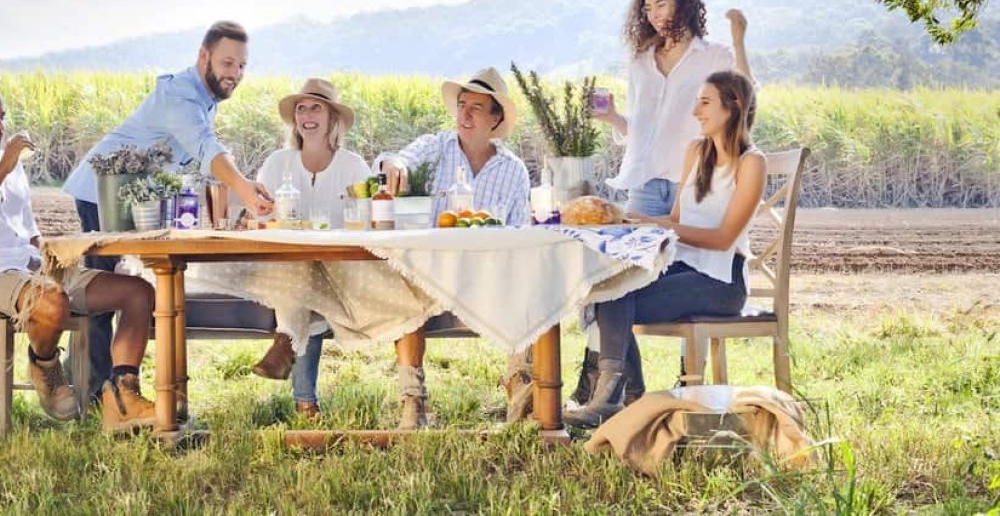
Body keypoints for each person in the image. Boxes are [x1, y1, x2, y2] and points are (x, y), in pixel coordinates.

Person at [569, 0, 753, 407]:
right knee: (613, 275)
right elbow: (644, 128)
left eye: (662, 4)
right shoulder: (641, 61)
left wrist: (740, 38)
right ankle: (620, 394)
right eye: (647, 7)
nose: (653, 14)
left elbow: (745, 93)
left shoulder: (710, 58)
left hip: (696, 186)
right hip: (648, 181)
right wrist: (613, 118)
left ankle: (610, 394)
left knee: (624, 284)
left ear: (683, 3)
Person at [62, 20, 274, 401]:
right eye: (228, 64)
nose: (236, 74)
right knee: (100, 291)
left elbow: (199, 158)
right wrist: (243, 186)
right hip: (103, 192)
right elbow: (206, 148)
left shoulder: (201, 98)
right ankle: (92, 393)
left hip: (134, 194)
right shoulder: (180, 95)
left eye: (242, 66)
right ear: (203, 56)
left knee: (109, 288)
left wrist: (242, 190)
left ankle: (96, 384)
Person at [565, 71, 766, 428]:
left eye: (705, 102)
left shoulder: (752, 163)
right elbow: (678, 218)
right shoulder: (696, 153)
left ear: (733, 105)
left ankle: (617, 399)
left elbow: (722, 238)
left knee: (615, 296)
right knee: (609, 285)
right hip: (682, 267)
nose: (696, 111)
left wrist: (660, 224)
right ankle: (626, 398)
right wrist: (641, 222)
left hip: (722, 281)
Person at [186, 78, 373, 418]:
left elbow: (365, 221)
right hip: (280, 267)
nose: (307, 115)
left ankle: (289, 349)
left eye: (316, 107)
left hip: (340, 268)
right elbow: (263, 217)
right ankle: (305, 402)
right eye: (301, 108)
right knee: (298, 277)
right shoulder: (277, 163)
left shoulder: (354, 166)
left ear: (333, 118)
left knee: (304, 284)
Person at [377, 67, 530, 428]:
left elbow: (521, 236)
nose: (464, 115)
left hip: (488, 277)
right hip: (430, 273)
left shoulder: (514, 170)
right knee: (405, 286)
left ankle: (524, 405)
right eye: (462, 105)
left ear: (495, 118)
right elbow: (393, 160)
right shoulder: (435, 147)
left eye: (476, 108)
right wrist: (393, 163)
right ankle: (413, 404)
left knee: (531, 289)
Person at [0, 94, 159, 431]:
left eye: (2, 116)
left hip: (32, 265)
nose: (1, 125)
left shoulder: (12, 168)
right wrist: (7, 160)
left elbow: (27, 227)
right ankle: (44, 364)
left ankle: (123, 396)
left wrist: (55, 252)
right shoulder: (7, 163)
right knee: (51, 301)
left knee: (138, 293)